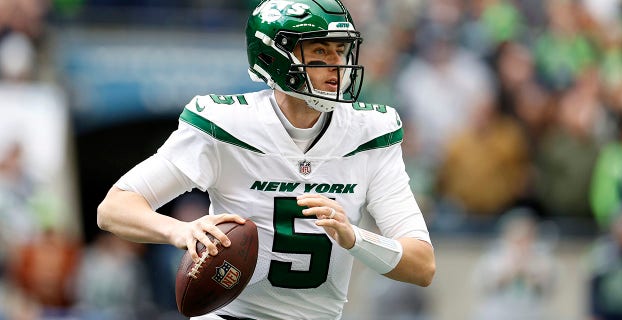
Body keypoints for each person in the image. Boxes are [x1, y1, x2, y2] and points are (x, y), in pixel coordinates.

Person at [96, 1, 436, 319]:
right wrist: (181, 231)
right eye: (320, 51)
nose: (338, 65)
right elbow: (113, 209)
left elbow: (422, 265)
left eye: (341, 50)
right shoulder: (226, 124)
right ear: (275, 56)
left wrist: (355, 238)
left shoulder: (371, 132)